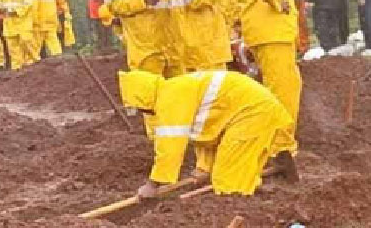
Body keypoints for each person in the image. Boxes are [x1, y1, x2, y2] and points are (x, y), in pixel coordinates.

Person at [118, 69, 297, 200]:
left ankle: (237, 206)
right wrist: (205, 168)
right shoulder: (173, 89)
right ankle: (248, 191)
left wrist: (153, 184)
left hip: (253, 112)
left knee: (227, 181)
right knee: (234, 169)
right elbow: (209, 132)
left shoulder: (170, 101)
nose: (143, 113)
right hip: (252, 110)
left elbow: (170, 148)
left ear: (143, 99)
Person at [229, 0, 302, 157]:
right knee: (284, 88)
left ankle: (269, 140)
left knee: (274, 86)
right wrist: (278, 0)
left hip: (257, 27)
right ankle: (280, 146)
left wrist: (235, 19)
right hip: (272, 27)